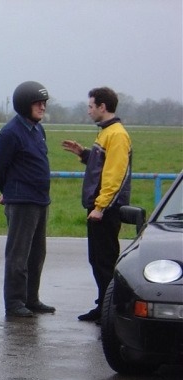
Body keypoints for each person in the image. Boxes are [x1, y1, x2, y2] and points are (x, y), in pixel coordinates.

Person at [62, 87, 132, 323]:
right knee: (97, 259)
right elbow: (103, 163)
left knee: (105, 261)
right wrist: (83, 154)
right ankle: (103, 305)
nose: (89, 110)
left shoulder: (117, 135)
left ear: (103, 107)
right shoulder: (107, 133)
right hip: (99, 208)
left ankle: (110, 309)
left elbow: (114, 175)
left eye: (91, 106)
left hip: (106, 210)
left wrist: (100, 207)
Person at [0, 80, 56, 318]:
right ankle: (15, 302)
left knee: (37, 253)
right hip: (21, 202)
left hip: (40, 200)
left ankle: (31, 298)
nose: (42, 107)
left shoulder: (38, 130)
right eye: (38, 103)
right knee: (18, 255)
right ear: (24, 105)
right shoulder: (10, 133)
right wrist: (10, 191)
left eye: (44, 103)